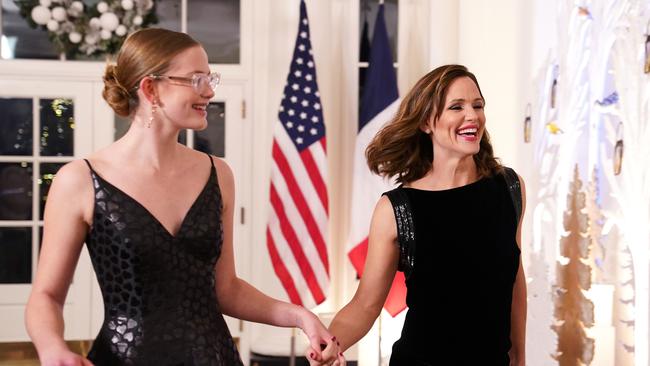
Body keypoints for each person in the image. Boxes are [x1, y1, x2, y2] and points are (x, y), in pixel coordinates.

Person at [25, 28, 339, 366]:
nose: (209, 91)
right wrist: (52, 348)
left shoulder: (219, 174)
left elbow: (227, 289)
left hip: (216, 358)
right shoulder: (80, 180)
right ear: (150, 88)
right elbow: (46, 296)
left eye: (209, 78)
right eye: (195, 80)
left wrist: (300, 316)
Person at [309, 64, 527, 366]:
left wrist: (519, 354)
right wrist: (328, 344)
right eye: (456, 107)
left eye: (477, 105)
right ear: (427, 122)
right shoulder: (396, 209)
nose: (472, 116)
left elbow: (515, 277)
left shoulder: (510, 188)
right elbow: (365, 304)